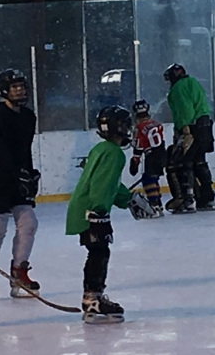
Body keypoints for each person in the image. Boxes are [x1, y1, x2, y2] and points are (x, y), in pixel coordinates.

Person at [0, 68, 42, 300]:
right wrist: (14, 173)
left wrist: (29, 174)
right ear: (4, 90)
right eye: (14, 87)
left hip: (19, 179)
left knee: (29, 223)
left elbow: (24, 150)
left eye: (21, 86)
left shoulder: (28, 117)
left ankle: (19, 273)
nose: (20, 90)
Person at [66, 104, 135, 323]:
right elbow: (102, 186)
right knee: (99, 252)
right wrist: (98, 212)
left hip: (83, 208)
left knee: (97, 251)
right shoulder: (115, 153)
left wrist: (128, 199)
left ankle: (92, 297)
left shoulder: (101, 149)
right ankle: (92, 299)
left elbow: (109, 182)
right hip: (92, 210)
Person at [164, 63, 215, 213]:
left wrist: (185, 131)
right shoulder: (193, 82)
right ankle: (208, 198)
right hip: (205, 126)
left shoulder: (178, 88)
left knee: (184, 163)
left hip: (192, 128)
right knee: (200, 162)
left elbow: (184, 110)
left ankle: (188, 199)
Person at [129, 99, 166, 217]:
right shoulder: (157, 124)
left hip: (151, 156)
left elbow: (139, 146)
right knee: (154, 178)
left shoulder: (139, 128)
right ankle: (158, 203)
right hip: (161, 153)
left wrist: (135, 160)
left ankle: (154, 205)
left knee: (148, 180)